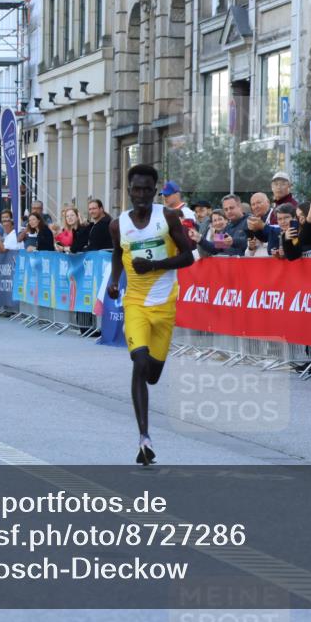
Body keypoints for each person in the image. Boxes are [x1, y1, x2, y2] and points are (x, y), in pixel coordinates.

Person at [108, 164, 194, 465]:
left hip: (165, 305)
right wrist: (113, 281)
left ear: (154, 191)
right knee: (139, 361)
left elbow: (188, 257)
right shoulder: (118, 224)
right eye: (136, 189)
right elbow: (118, 253)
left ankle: (145, 430)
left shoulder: (167, 217)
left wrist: (156, 266)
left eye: (147, 189)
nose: (141, 194)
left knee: (153, 375)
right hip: (135, 303)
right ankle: (144, 437)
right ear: (129, 190)